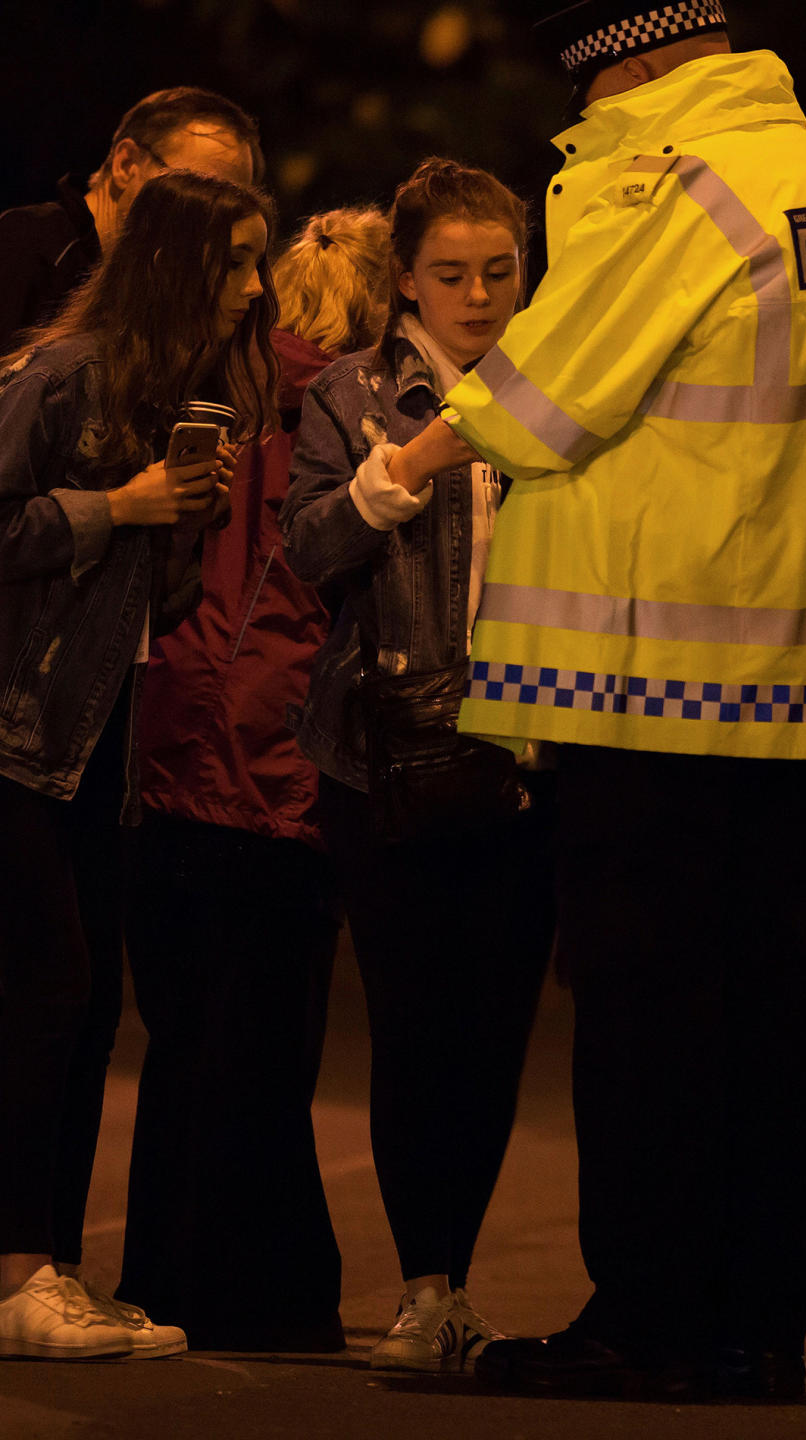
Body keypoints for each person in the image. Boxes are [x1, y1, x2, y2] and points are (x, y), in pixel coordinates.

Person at [393, 1, 806, 1401]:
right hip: (801, 685)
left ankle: (645, 1319)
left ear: (630, 63)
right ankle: (760, 1326)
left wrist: (409, 458)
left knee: (645, 1012)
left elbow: (544, 398)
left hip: (649, 675)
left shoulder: (678, 186)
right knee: (771, 1008)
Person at [280, 158, 556, 1373]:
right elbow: (309, 542)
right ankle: (424, 1284)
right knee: (413, 1020)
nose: (481, 297)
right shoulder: (356, 392)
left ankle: (457, 1277)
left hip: (531, 742)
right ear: (407, 280)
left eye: (502, 271)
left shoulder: (562, 386)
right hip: (387, 748)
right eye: (452, 275)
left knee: (496, 1028)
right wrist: (411, 461)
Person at [0, 168, 278, 1359]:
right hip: (15, 734)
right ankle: (19, 1276)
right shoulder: (59, 375)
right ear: (175, 267)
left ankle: (45, 1266)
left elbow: (129, 601)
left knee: (81, 1001)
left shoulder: (171, 387)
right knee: (42, 987)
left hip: (87, 743)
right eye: (237, 263)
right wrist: (120, 505)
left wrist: (175, 525)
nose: (254, 291)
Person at [116, 207, 390, 1353]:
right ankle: (264, 1293)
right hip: (283, 773)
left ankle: (162, 1275)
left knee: (181, 1041)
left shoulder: (207, 400)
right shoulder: (361, 423)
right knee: (267, 1053)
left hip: (165, 747)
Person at [0, 86, 262, 352]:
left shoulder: (173, 286)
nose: (219, 218)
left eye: (234, 206)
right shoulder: (22, 243)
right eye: (197, 189)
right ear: (126, 165)